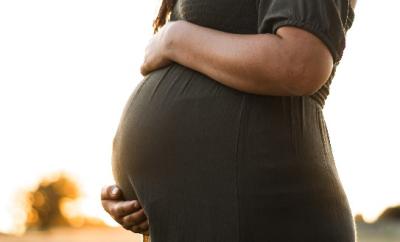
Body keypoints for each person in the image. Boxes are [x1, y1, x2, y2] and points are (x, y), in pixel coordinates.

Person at [102, 0, 357, 241]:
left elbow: (301, 62)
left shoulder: (175, 37)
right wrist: (142, 192)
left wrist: (174, 39)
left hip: (265, 211)